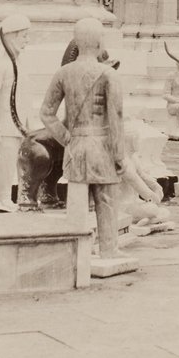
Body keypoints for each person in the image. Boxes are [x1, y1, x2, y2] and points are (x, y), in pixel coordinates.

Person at [40, 17, 125, 259]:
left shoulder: (63, 73)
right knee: (106, 202)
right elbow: (116, 118)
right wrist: (120, 156)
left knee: (77, 205)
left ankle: (77, 255)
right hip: (102, 147)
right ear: (99, 42)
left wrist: (66, 138)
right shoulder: (109, 74)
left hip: (76, 147)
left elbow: (46, 113)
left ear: (77, 42)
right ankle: (109, 250)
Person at [0, 12, 31, 207]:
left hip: (20, 126)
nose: (27, 41)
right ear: (12, 37)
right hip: (6, 126)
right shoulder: (0, 66)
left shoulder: (21, 65)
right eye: (23, 36)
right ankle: (2, 195)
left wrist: (29, 124)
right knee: (6, 163)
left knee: (15, 163)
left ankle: (10, 195)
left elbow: (24, 98)